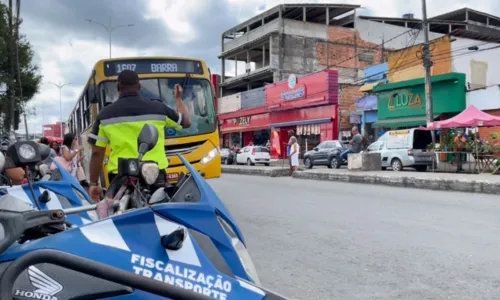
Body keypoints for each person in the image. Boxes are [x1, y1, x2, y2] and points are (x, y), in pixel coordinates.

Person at [87, 70, 191, 202]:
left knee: (120, 215)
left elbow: (96, 153)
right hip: (154, 175)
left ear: (118, 87)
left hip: (120, 177)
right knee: (160, 215)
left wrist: (93, 184)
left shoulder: (105, 115)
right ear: (139, 86)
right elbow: (186, 122)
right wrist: (178, 99)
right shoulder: (159, 109)